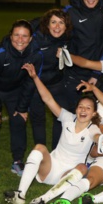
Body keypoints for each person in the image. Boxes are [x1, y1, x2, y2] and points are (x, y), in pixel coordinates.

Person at [3, 63, 103, 204]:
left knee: (83, 168)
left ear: (94, 114)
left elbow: (97, 137)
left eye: (88, 108)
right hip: (50, 168)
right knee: (39, 147)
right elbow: (48, 99)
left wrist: (102, 140)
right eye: (80, 107)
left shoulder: (93, 128)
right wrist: (35, 77)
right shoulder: (67, 118)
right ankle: (20, 194)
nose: (83, 110)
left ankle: (42, 199)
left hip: (69, 174)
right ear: (76, 109)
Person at [0, 19, 43, 180]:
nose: (20, 40)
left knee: (19, 120)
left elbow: (30, 83)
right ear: (10, 36)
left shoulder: (36, 55)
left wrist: (22, 108)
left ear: (31, 38)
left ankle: (18, 161)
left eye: (24, 36)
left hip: (14, 90)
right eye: (16, 35)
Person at [61, 0, 103, 112]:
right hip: (75, 73)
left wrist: (97, 74)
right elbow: (49, 23)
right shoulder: (70, 12)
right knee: (70, 114)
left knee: (99, 115)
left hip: (99, 72)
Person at [28, 8, 73, 150]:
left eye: (61, 23)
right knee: (38, 119)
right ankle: (41, 152)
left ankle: (56, 152)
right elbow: (13, 41)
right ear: (47, 24)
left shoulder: (67, 39)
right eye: (53, 22)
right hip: (36, 86)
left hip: (56, 84)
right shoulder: (36, 40)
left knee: (62, 117)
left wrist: (65, 55)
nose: (57, 26)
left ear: (66, 26)